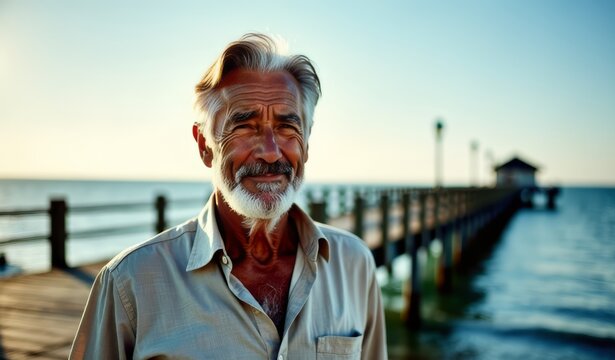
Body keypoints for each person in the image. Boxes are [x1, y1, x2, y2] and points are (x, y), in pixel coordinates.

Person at [70, 33, 387, 359]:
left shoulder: (354, 265)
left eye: (286, 127)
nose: (269, 152)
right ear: (204, 145)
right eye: (245, 126)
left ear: (306, 143)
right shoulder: (129, 283)